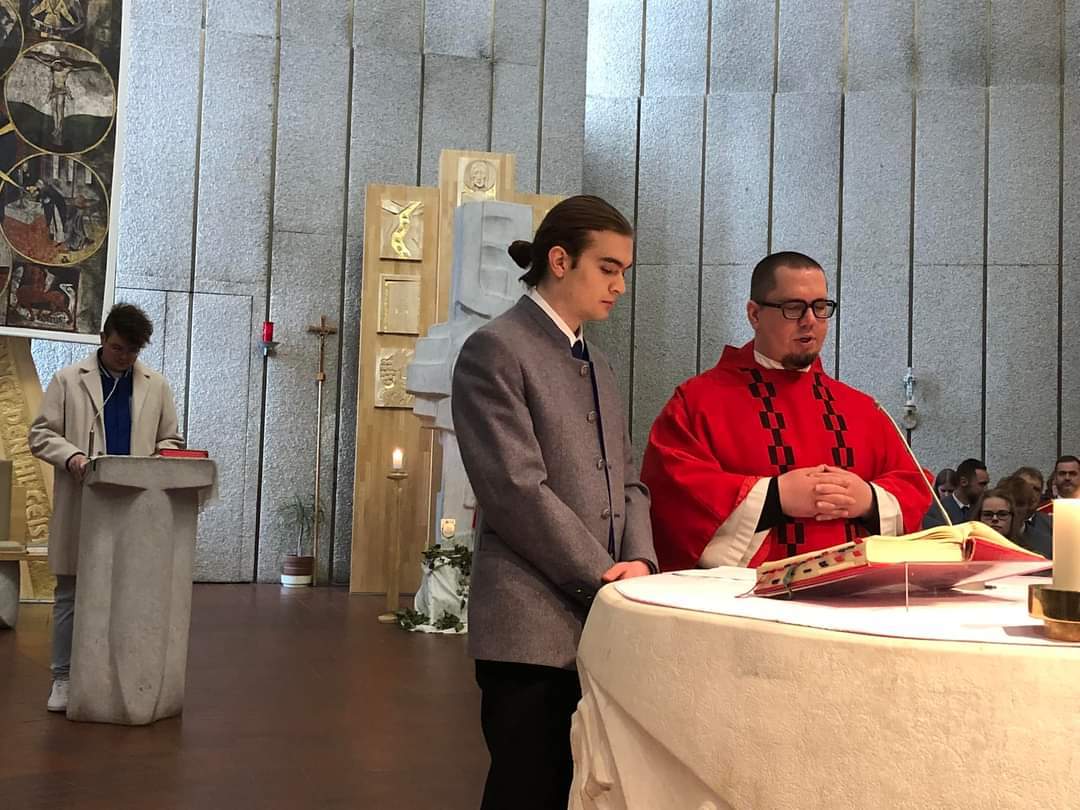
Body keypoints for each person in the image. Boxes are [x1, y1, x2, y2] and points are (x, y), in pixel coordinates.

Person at [451, 195, 656, 810]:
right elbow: (515, 490)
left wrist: (641, 562)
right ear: (560, 260)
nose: (620, 286)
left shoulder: (598, 363)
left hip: (604, 613)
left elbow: (628, 478)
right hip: (530, 626)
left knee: (588, 790)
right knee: (528, 790)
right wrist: (603, 576)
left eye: (624, 272)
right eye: (608, 268)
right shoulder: (496, 348)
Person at [641, 250, 930, 571]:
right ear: (754, 314)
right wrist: (774, 498)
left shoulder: (863, 409)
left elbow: (915, 487)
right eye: (793, 307)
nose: (810, 320)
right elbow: (673, 496)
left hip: (851, 591)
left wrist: (869, 500)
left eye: (820, 307)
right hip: (746, 597)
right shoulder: (697, 402)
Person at [28, 303, 184, 713]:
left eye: (133, 351)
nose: (124, 357)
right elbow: (41, 435)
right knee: (71, 592)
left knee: (129, 593)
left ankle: (120, 674)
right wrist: (73, 456)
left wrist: (159, 460)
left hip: (134, 505)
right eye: (118, 348)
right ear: (102, 339)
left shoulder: (156, 385)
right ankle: (63, 677)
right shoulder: (68, 380)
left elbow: (171, 440)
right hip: (84, 499)